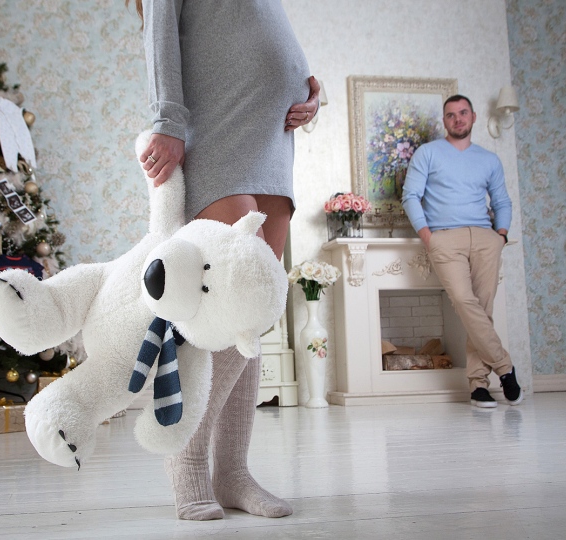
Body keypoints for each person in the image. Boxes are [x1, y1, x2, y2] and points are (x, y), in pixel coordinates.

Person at [130, 0, 320, 521]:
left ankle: (233, 472)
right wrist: (167, 120)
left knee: (253, 311)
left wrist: (309, 91)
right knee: (226, 305)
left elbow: (266, 34)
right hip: (218, 130)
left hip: (273, 138)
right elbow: (160, 34)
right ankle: (187, 456)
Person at [401, 94, 523, 409]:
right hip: (445, 238)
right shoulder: (428, 153)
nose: (458, 119)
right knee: (464, 301)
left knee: (482, 310)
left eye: (463, 113)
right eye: (451, 115)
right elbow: (411, 195)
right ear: (444, 121)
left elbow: (502, 200)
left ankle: (478, 386)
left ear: (473, 117)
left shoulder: (489, 159)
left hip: (485, 238)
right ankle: (505, 368)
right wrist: (428, 237)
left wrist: (501, 235)